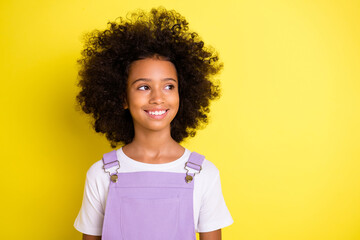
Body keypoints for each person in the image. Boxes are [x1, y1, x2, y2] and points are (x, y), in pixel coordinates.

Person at [73, 7, 233, 240]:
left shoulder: (203, 174)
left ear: (183, 93)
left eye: (169, 86)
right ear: (122, 98)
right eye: (143, 87)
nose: (158, 97)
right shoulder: (101, 174)